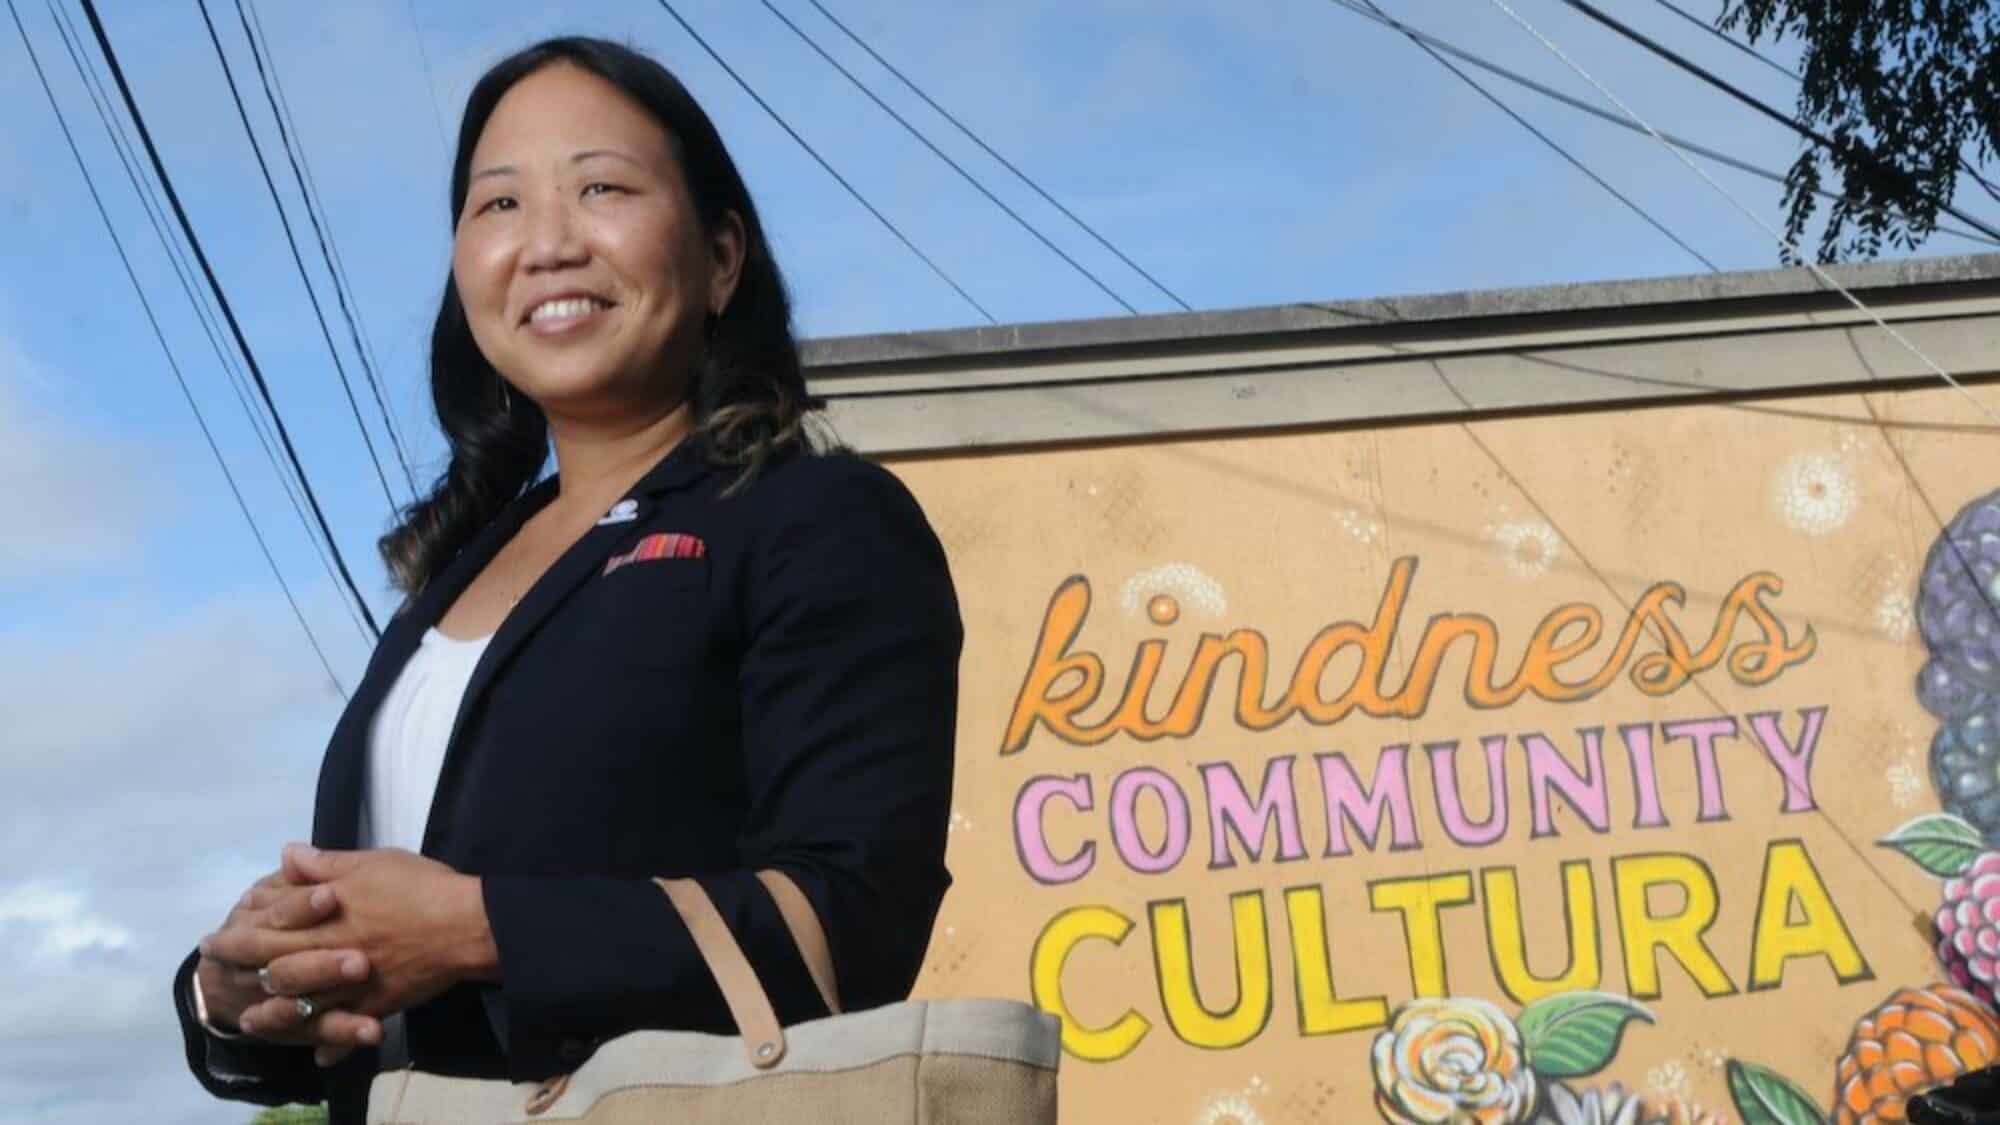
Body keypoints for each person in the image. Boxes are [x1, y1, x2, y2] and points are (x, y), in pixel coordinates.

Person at [170, 36, 961, 1124]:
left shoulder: (812, 520)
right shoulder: (457, 573)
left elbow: (854, 922)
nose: (545, 244)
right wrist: (241, 987)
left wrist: (472, 930)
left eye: (601, 188)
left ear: (721, 255)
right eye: (497, 206)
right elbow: (379, 994)